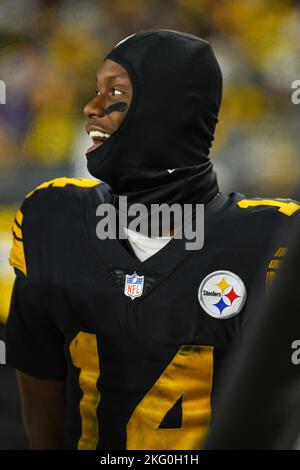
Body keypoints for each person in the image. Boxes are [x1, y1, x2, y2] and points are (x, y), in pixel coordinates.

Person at [5, 30, 300, 450]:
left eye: (116, 95)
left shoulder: (271, 239)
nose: (90, 108)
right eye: (97, 91)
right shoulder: (51, 218)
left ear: (168, 112)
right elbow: (42, 412)